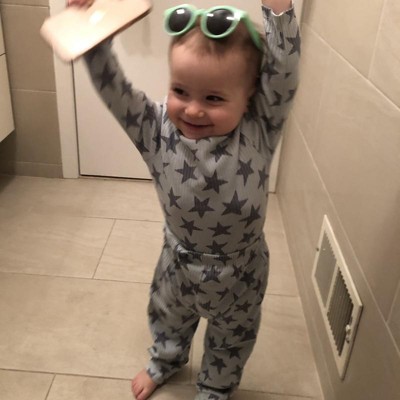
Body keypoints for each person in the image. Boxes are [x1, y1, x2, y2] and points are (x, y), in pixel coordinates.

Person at [68, 0, 300, 399]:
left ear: (249, 97)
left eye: (214, 98)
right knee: (167, 318)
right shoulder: (156, 129)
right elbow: (115, 90)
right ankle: (166, 360)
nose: (193, 108)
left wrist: (278, 10)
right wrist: (93, 33)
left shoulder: (260, 128)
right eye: (180, 90)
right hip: (177, 265)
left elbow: (284, 72)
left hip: (241, 274)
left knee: (232, 339)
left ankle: (215, 387)